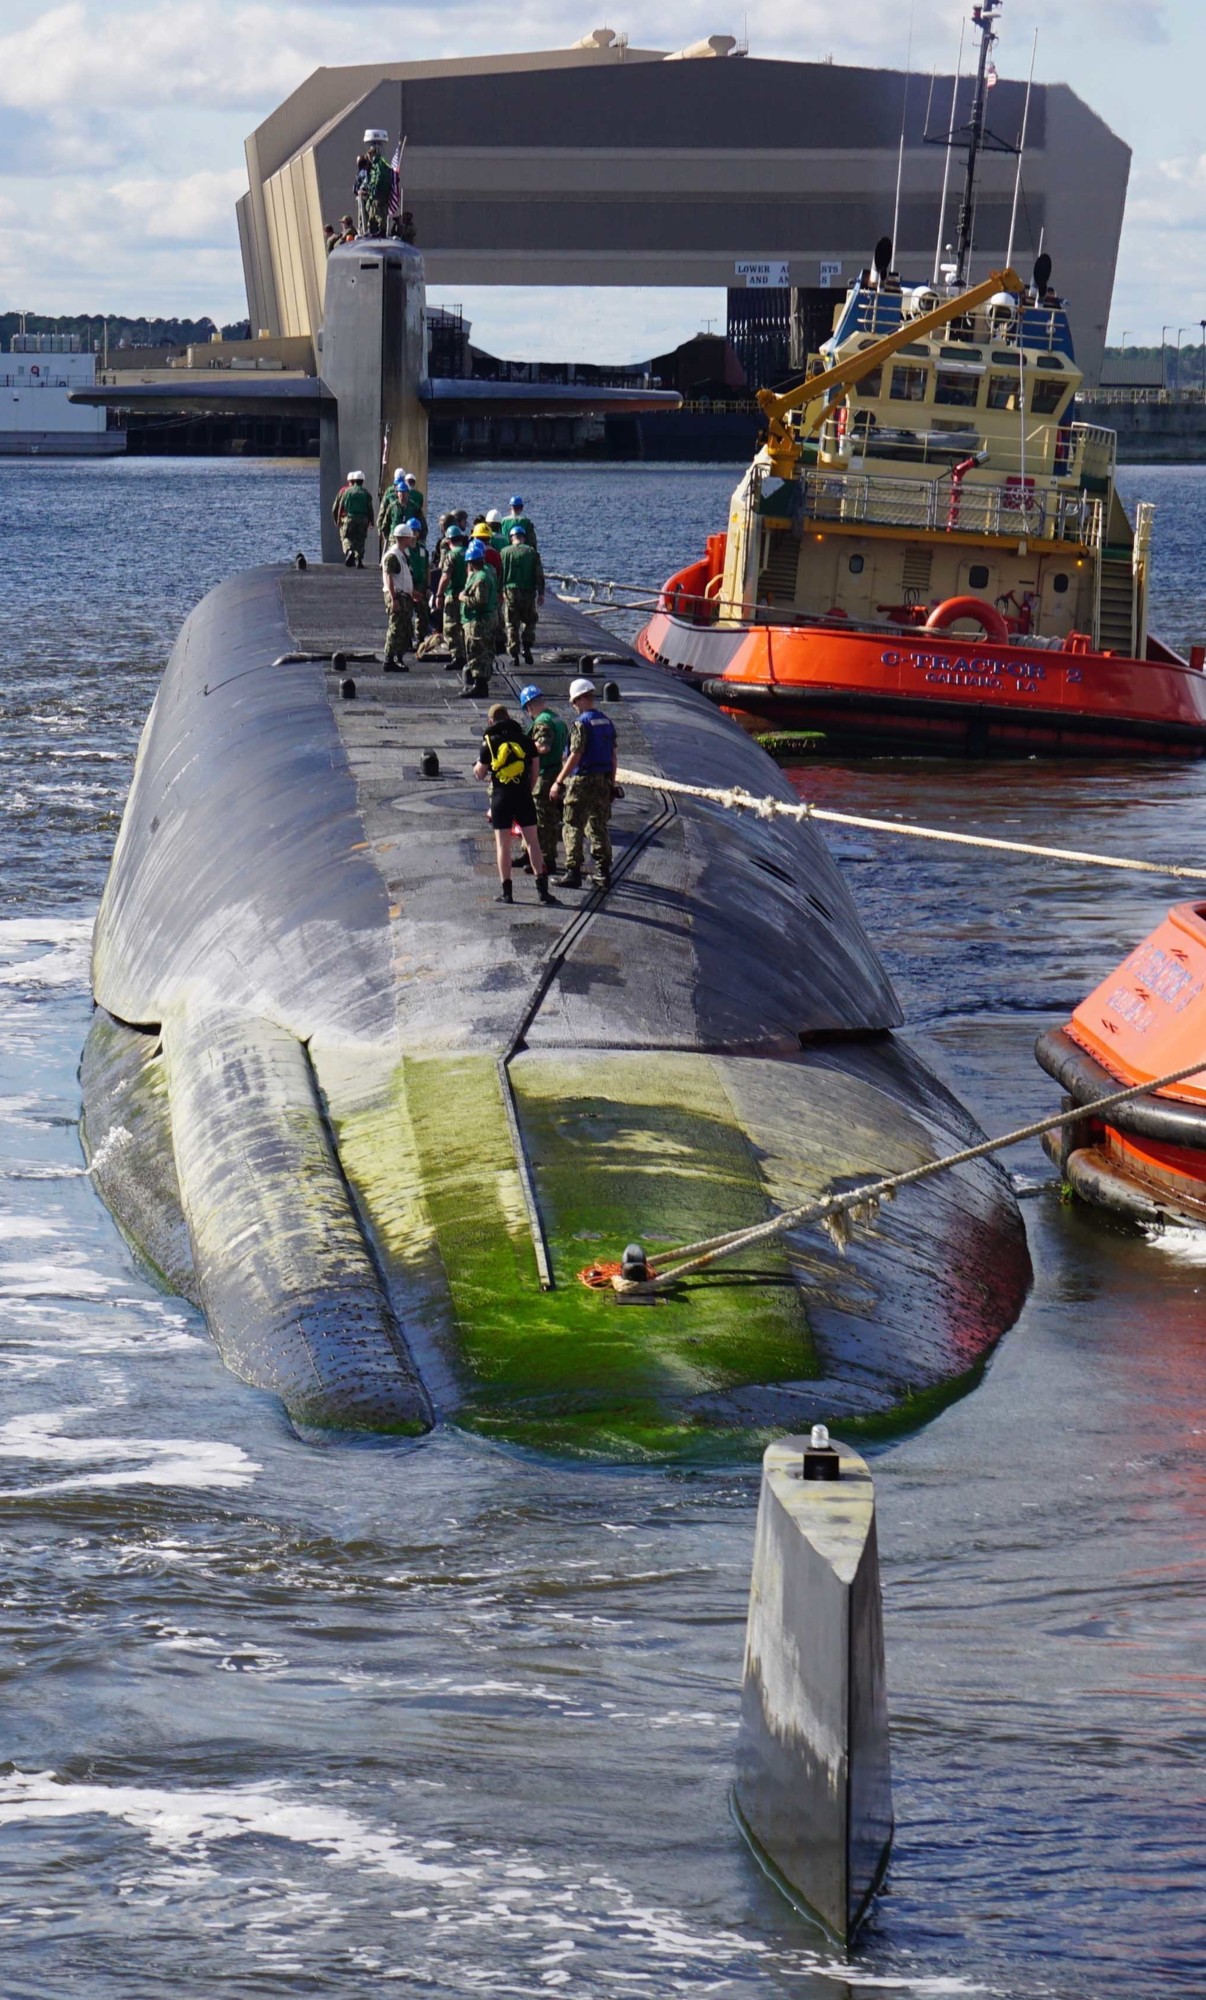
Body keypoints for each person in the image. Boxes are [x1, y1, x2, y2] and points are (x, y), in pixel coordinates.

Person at [473, 703, 553, 905]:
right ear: (508, 717)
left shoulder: (489, 743)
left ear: (491, 721)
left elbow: (480, 773)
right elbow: (535, 771)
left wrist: (478, 767)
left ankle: (507, 893)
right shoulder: (526, 741)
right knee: (533, 842)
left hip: (501, 798)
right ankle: (543, 892)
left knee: (503, 846)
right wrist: (527, 789)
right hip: (523, 796)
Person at [551, 677, 617, 890]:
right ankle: (603, 872)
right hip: (604, 780)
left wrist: (559, 781)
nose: (573, 706)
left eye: (573, 702)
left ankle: (573, 871)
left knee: (571, 823)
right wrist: (612, 785)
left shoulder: (581, 724)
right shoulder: (606, 722)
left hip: (583, 780)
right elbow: (614, 757)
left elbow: (576, 754)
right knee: (598, 824)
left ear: (579, 700)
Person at [519, 683, 567, 876]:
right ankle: (528, 853)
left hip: (545, 774)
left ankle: (546, 859)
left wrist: (520, 750)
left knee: (542, 819)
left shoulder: (542, 722)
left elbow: (543, 747)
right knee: (538, 816)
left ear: (529, 707)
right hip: (555, 771)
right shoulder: (556, 718)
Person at [459, 539, 499, 697]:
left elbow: (479, 602)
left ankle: (479, 685)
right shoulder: (487, 572)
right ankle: (479, 683)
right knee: (484, 651)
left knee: (477, 652)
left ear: (470, 562)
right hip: (484, 619)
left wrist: (463, 598)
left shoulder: (480, 578)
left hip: (478, 621)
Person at [501, 524, 545, 666]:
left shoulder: (504, 552)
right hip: (528, 593)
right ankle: (526, 646)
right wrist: (541, 593)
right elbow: (539, 575)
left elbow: (499, 574)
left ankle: (514, 654)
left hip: (510, 593)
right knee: (530, 621)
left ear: (511, 538)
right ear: (524, 538)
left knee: (512, 624)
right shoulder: (532, 553)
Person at [434, 524, 467, 672]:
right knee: (465, 626)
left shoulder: (451, 556)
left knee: (451, 628)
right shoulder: (468, 553)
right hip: (466, 596)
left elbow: (445, 576)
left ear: (448, 541)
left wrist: (439, 594)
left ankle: (457, 657)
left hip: (453, 595)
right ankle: (467, 654)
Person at [381, 523, 415, 670]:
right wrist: (394, 598)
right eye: (409, 537)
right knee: (395, 627)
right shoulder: (393, 556)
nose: (412, 540)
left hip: (404, 596)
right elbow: (388, 577)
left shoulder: (402, 555)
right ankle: (389, 659)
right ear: (403, 538)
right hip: (397, 596)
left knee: (404, 628)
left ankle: (398, 657)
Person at [332, 469, 372, 567]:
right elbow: (370, 508)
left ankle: (349, 551)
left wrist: (336, 519)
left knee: (346, 538)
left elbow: (336, 507)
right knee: (360, 539)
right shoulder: (365, 492)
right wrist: (372, 521)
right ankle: (359, 561)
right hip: (363, 519)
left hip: (347, 518)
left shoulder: (344, 491)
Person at [361, 130, 393, 237]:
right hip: (374, 195)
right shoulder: (374, 166)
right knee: (372, 213)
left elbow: (379, 179)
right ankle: (373, 230)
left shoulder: (379, 165)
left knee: (379, 213)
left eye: (370, 154)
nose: (369, 157)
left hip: (379, 194)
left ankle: (382, 231)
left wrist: (374, 189)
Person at [406, 519, 431, 639]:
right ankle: (408, 639)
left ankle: (420, 637)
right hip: (408, 585)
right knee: (407, 614)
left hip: (421, 585)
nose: (413, 533)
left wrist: (428, 586)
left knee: (423, 614)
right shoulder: (404, 550)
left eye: (416, 531)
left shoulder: (423, 551)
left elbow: (427, 569)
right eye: (411, 531)